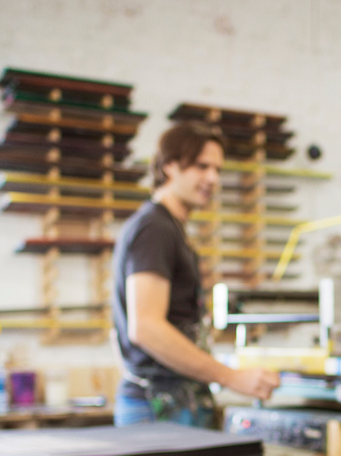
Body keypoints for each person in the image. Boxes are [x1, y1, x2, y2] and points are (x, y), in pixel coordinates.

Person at [111, 120, 280, 427]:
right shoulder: (155, 229)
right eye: (201, 167)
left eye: (217, 169)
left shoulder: (170, 228)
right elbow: (146, 327)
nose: (212, 178)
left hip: (175, 401)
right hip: (158, 407)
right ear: (169, 166)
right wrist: (231, 377)